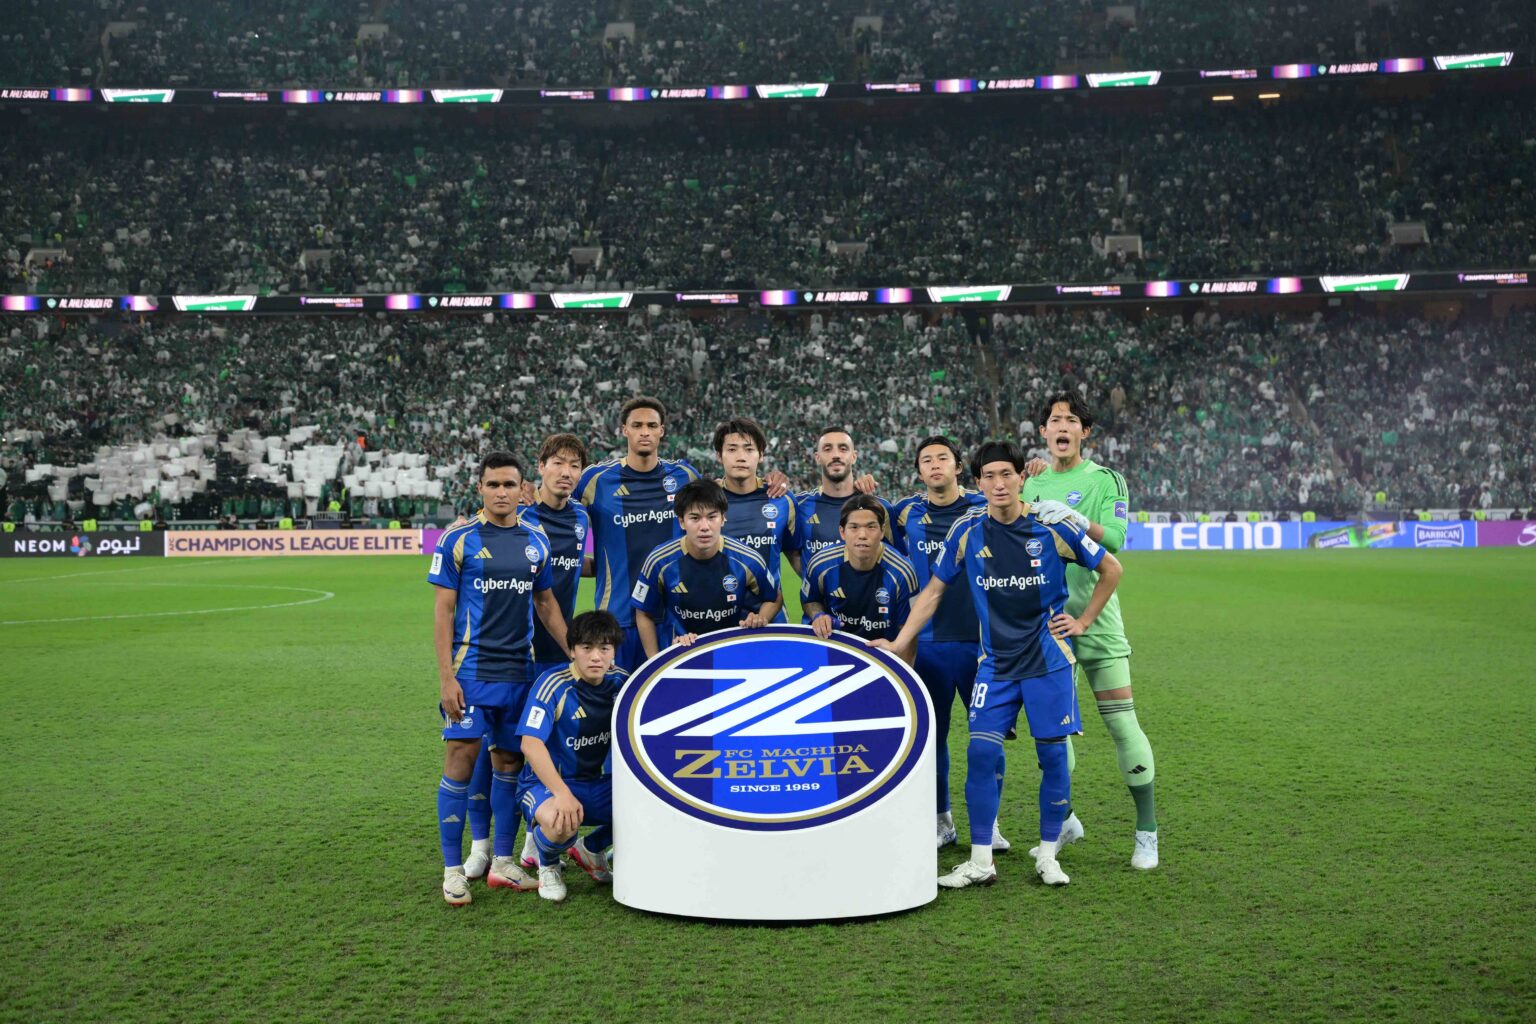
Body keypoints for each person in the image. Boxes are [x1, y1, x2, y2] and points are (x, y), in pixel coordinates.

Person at [874, 440, 1122, 889]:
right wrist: (899, 643)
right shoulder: (967, 531)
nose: (999, 483)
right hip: (995, 665)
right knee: (982, 752)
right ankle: (981, 860)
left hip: (1048, 662)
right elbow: (932, 592)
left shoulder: (1052, 526)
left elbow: (1112, 569)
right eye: (989, 476)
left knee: (1052, 757)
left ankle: (1048, 854)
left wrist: (1083, 621)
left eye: (1007, 473)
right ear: (978, 483)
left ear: (1021, 478)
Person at [1024, 392, 1159, 870]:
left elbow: (1117, 540)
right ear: (1043, 432)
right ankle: (1065, 821)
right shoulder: (1030, 483)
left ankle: (1147, 832)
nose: (1062, 426)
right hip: (1047, 627)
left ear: (1085, 432)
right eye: (1054, 420)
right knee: (1053, 735)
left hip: (1096, 622)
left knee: (1121, 723)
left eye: (1071, 420)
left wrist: (1077, 520)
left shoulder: (1105, 480)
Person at [428, 451, 569, 905]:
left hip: (520, 674)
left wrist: (573, 652)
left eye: (509, 484)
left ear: (522, 488)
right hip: (471, 674)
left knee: (509, 765)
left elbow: (545, 604)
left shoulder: (535, 540)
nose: (502, 492)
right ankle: (452, 870)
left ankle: (503, 862)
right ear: (480, 488)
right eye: (493, 485)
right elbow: (443, 611)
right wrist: (446, 677)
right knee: (461, 764)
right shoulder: (458, 539)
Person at [891, 436, 992, 849]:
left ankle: (990, 823)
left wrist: (1035, 476)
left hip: (978, 641)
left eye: (942, 458)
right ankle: (942, 820)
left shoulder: (982, 507)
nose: (935, 465)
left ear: (958, 466)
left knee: (987, 738)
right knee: (933, 738)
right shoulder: (904, 513)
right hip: (927, 643)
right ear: (918, 471)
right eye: (926, 460)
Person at [577, 396, 701, 672]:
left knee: (671, 696)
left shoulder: (685, 476)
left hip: (674, 620)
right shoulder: (596, 480)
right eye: (637, 425)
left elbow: (718, 503)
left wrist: (770, 482)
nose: (645, 432)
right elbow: (555, 507)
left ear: (662, 430)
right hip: (616, 619)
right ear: (624, 430)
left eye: (651, 425)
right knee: (617, 697)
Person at [515, 610, 627, 903]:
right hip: (545, 784)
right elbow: (531, 745)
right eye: (587, 648)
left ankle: (591, 848)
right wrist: (561, 793)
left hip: (596, 782)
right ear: (573, 650)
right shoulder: (553, 684)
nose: (596, 657)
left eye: (604, 648)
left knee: (650, 803)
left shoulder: (622, 682)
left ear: (614, 651)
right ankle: (548, 865)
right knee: (560, 821)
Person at [633, 479, 780, 656]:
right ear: (681, 522)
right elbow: (643, 612)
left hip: (731, 653)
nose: (704, 527)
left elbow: (774, 597)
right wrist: (656, 662)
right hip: (679, 653)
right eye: (695, 518)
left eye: (712, 517)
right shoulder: (660, 561)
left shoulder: (747, 559)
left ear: (723, 518)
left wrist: (760, 617)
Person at [801, 494, 919, 647]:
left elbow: (908, 634)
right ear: (842, 532)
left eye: (871, 527)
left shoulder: (903, 572)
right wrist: (818, 615)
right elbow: (810, 600)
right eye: (854, 527)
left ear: (882, 531)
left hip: (884, 655)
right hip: (836, 649)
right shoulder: (820, 564)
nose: (862, 535)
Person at [714, 416, 800, 621]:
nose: (740, 457)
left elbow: (796, 557)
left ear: (761, 455)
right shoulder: (707, 500)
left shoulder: (782, 499)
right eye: (732, 449)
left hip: (771, 617)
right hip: (718, 618)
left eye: (749, 449)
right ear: (719, 456)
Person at [794, 428, 893, 571]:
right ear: (817, 457)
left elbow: (899, 558)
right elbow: (792, 553)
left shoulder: (880, 507)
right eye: (828, 449)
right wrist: (813, 580)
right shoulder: (799, 506)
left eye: (843, 448)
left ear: (854, 456)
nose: (836, 455)